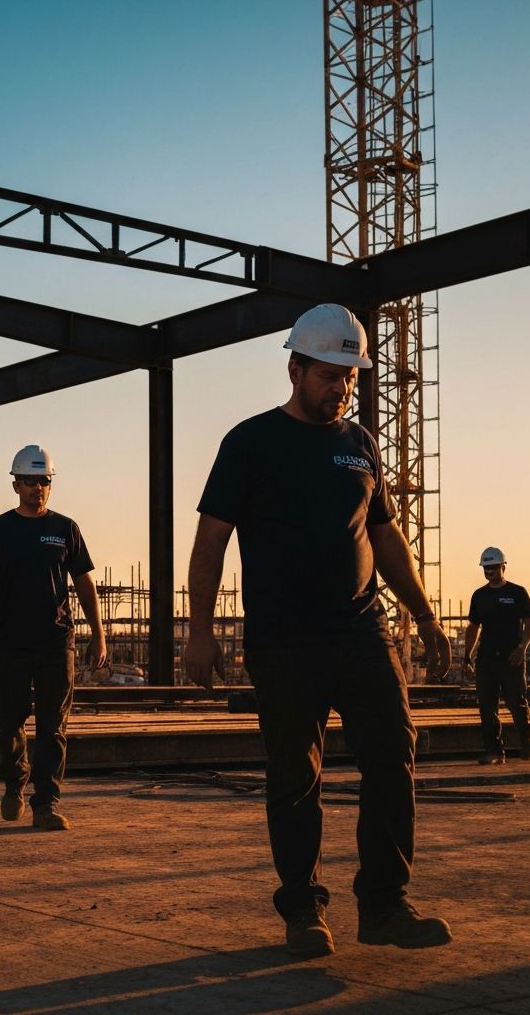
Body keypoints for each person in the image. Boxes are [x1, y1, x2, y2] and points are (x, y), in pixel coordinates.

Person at [185, 303, 453, 958]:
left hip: (364, 632)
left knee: (393, 755)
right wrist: (199, 630)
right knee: (295, 777)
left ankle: (384, 905)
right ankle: (304, 910)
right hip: (283, 642)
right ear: (296, 368)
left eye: (351, 378)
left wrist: (422, 613)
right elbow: (210, 540)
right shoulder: (249, 443)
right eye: (330, 375)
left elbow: (386, 540)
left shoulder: (360, 445)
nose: (342, 388)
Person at [0, 445, 107, 831]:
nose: (37, 488)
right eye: (30, 481)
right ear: (16, 485)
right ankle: (15, 781)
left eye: (44, 481)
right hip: (10, 643)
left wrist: (98, 634)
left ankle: (46, 803)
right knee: (6, 719)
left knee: (53, 726)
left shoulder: (65, 529)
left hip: (55, 643)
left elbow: (84, 584)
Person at [462, 546, 530, 764]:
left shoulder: (517, 593)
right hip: (486, 659)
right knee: (487, 707)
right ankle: (494, 752)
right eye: (486, 568)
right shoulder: (479, 596)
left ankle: (527, 734)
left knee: (516, 702)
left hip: (511, 658)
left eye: (493, 567)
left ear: (503, 566)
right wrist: (467, 657)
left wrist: (522, 648)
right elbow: (473, 627)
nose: (489, 571)